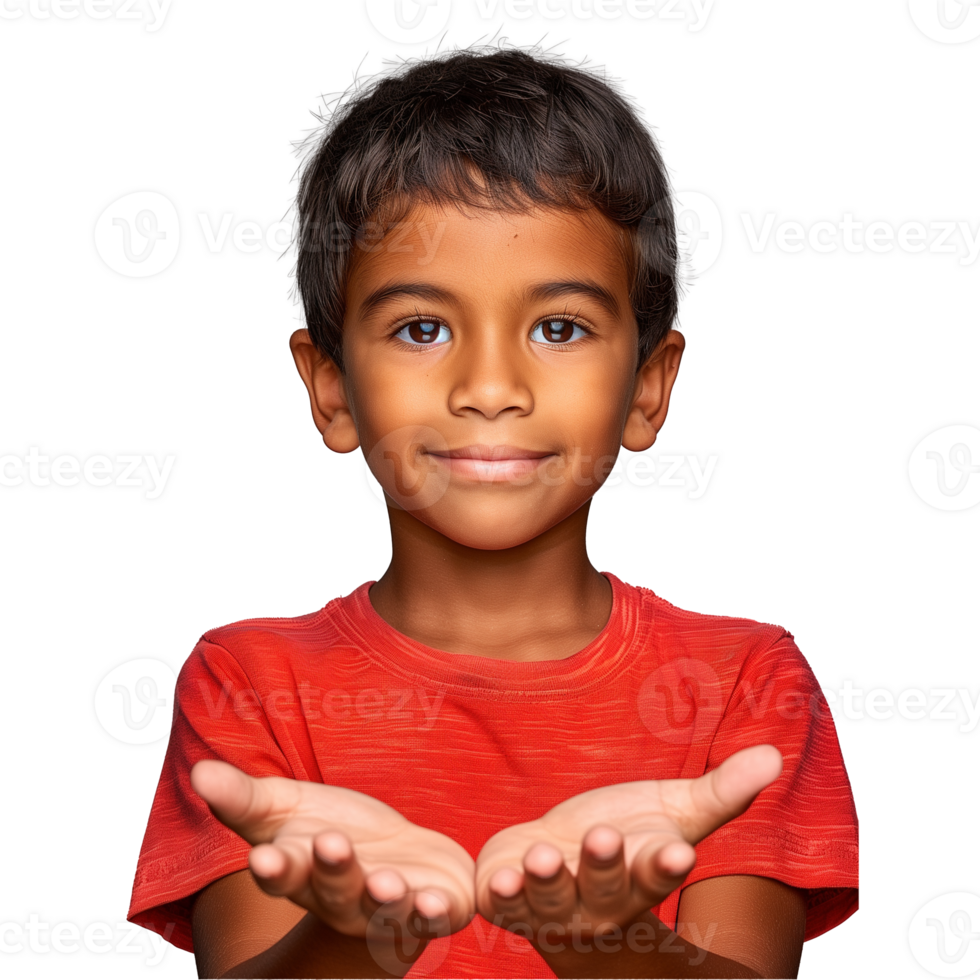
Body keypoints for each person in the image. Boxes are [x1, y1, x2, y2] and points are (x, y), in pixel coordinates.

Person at [125, 25, 860, 980]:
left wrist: (597, 935)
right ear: (331, 391)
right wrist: (354, 927)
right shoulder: (248, 681)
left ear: (648, 388)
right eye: (422, 327)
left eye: (558, 327)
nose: (489, 384)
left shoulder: (748, 679)